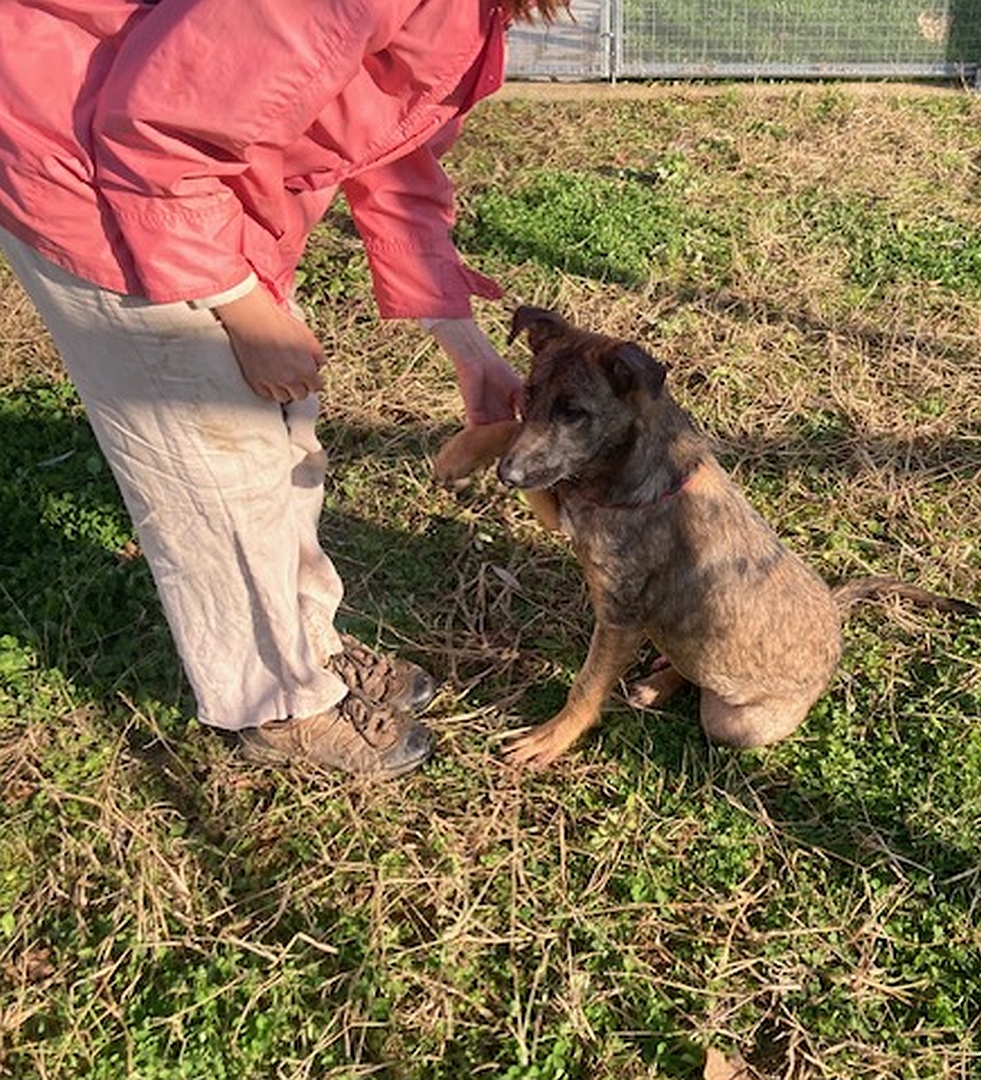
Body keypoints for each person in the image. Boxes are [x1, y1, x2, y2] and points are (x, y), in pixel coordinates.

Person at [0, 0, 567, 780]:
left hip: (191, 179)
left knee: (282, 429)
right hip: (92, 171)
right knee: (216, 465)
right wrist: (237, 304)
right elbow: (158, 137)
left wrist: (466, 348)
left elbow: (392, 155)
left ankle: (309, 648)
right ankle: (275, 702)